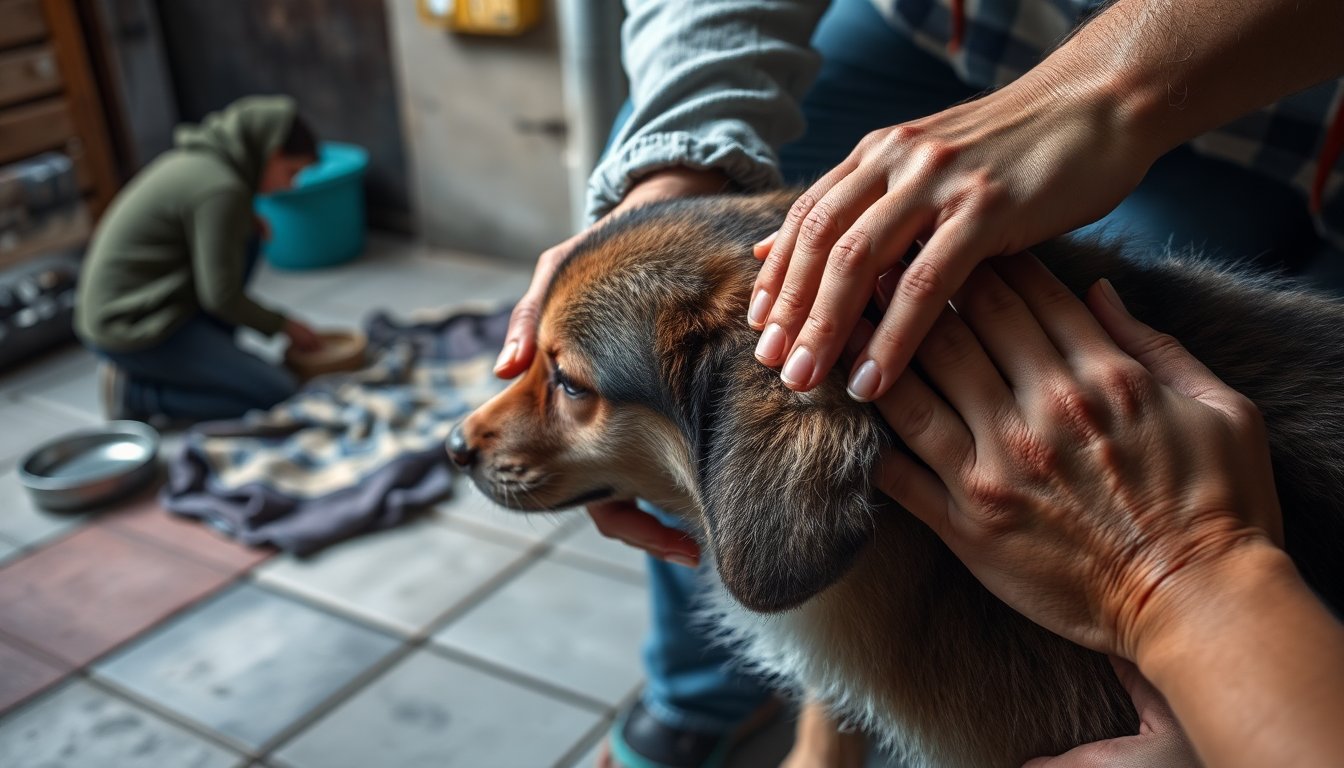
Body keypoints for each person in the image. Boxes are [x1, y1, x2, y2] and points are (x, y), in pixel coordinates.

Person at [491, 0, 1344, 765]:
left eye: (563, 383)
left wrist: (1103, 95)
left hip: (1279, 107)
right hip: (938, 23)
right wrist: (676, 172)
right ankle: (702, 703)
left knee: (1064, 371)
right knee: (697, 291)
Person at [76, 95, 324, 425]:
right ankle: (136, 393)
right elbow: (221, 296)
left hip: (148, 306)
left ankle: (212, 354)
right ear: (270, 152)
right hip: (130, 327)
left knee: (248, 236)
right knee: (276, 392)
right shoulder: (221, 190)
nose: (290, 186)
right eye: (290, 172)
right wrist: (283, 325)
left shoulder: (203, 162)